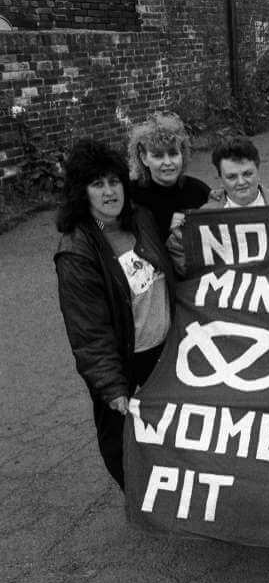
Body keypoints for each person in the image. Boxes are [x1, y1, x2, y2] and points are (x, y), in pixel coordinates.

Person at [54, 139, 175, 490]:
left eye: (114, 181)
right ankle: (138, 498)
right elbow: (88, 329)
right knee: (119, 441)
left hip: (162, 350)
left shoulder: (140, 218)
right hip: (122, 359)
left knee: (167, 428)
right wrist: (112, 386)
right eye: (97, 184)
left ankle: (167, 493)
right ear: (82, 192)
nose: (109, 192)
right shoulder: (77, 250)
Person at [166, 137, 269, 275]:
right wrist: (181, 235)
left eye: (247, 174)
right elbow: (178, 253)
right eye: (232, 177)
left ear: (258, 171)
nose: (241, 182)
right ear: (221, 179)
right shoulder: (205, 216)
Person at [126, 111, 211, 239]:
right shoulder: (131, 195)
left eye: (173, 154)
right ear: (144, 159)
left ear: (182, 154)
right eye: (158, 156)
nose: (167, 162)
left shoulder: (199, 192)